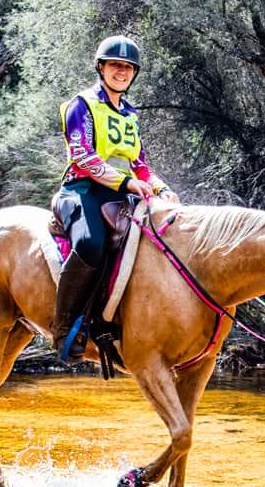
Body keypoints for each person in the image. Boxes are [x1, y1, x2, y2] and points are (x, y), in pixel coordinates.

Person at [51, 35, 178, 361]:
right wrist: (127, 183)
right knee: (91, 243)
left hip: (122, 193)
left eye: (127, 67)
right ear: (101, 68)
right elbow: (84, 156)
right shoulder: (82, 105)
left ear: (133, 73)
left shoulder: (130, 116)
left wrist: (162, 189)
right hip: (83, 190)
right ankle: (65, 327)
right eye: (115, 66)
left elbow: (141, 165)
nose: (121, 72)